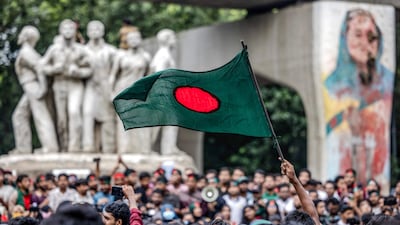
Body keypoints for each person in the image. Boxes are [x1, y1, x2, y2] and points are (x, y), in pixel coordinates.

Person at [324, 8, 394, 189]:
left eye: (371, 37)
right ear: (344, 36)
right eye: (357, 35)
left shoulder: (386, 81)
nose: (365, 43)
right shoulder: (331, 85)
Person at [41, 19, 92, 152]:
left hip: (75, 84)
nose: (68, 31)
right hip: (59, 84)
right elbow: (42, 66)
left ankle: (74, 146)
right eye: (65, 29)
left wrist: (78, 71)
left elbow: (90, 69)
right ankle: (63, 146)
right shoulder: (54, 49)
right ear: (60, 31)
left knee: (74, 112)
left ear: (75, 31)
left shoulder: (81, 50)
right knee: (62, 119)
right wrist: (53, 70)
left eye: (71, 29)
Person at [11, 25, 59, 154]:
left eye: (22, 34)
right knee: (19, 115)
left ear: (26, 37)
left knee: (40, 116)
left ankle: (50, 148)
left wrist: (43, 88)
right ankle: (23, 148)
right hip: (29, 86)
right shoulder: (27, 51)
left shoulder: (26, 52)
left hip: (33, 86)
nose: (19, 36)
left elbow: (39, 68)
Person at [109, 30, 151, 154]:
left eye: (136, 38)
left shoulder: (145, 57)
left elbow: (149, 76)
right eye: (131, 39)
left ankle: (142, 149)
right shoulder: (121, 56)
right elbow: (112, 76)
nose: (133, 41)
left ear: (140, 40)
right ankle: (124, 149)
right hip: (123, 88)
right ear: (126, 41)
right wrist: (111, 93)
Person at [82, 20, 117, 153]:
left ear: (102, 32)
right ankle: (88, 146)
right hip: (89, 86)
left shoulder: (111, 51)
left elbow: (116, 71)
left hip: (106, 85)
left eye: (98, 28)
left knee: (107, 117)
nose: (95, 31)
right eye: (92, 29)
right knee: (87, 113)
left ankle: (109, 148)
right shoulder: (83, 50)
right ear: (88, 32)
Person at [280, 158, 320, 225]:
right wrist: (294, 180)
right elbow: (312, 215)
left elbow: (312, 215)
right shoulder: (312, 221)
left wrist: (294, 180)